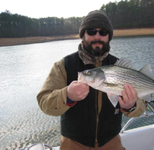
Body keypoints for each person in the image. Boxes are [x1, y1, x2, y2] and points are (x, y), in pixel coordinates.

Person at [37, 10, 146, 150]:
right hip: (73, 144)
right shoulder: (63, 66)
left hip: (111, 142)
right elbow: (44, 103)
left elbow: (140, 107)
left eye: (103, 32)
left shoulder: (118, 66)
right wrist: (67, 95)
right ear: (83, 35)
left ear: (109, 37)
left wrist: (131, 106)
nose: (97, 36)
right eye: (91, 31)